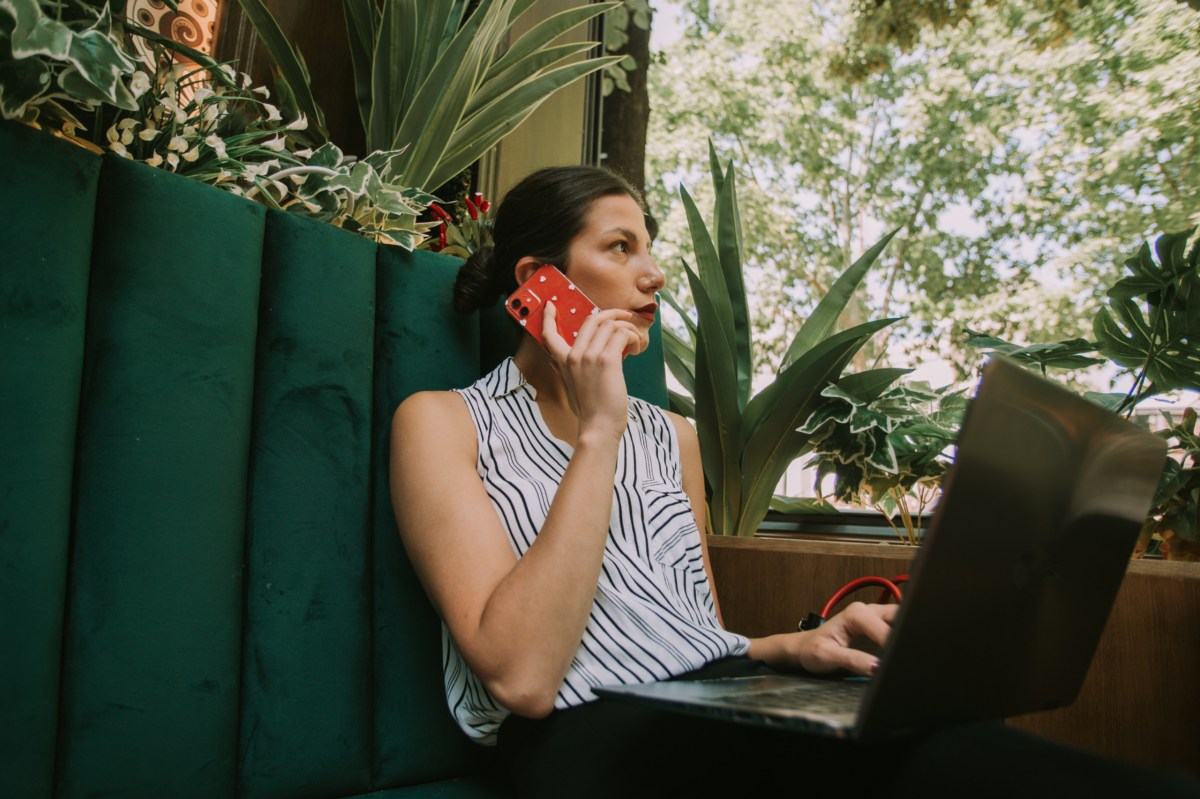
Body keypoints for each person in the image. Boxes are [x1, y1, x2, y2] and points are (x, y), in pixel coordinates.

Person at [390, 166, 1200, 798]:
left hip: (714, 698)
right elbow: (521, 677)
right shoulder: (442, 422)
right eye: (620, 247)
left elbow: (689, 633)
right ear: (540, 283)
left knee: (950, 746)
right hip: (583, 740)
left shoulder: (673, 437)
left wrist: (790, 645)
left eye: (651, 245)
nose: (657, 274)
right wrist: (600, 429)